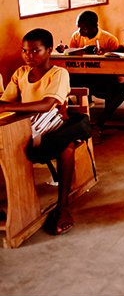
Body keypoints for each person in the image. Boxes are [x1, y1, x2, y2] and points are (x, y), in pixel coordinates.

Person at [0, 28, 89, 235]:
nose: (28, 56)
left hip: (55, 126)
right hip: (27, 126)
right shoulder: (21, 73)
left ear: (49, 50)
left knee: (66, 146)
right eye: (24, 51)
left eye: (34, 51)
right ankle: (13, 205)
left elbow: (48, 104)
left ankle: (62, 206)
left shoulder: (59, 73)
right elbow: (7, 100)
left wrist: (5, 107)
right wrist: (4, 105)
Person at [56, 10, 120, 98]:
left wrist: (104, 53)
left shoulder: (110, 39)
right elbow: (71, 55)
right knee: (65, 80)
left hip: (102, 75)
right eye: (78, 27)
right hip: (82, 73)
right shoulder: (76, 36)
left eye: (84, 28)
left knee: (110, 86)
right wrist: (65, 50)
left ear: (95, 26)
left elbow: (116, 64)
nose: (79, 31)